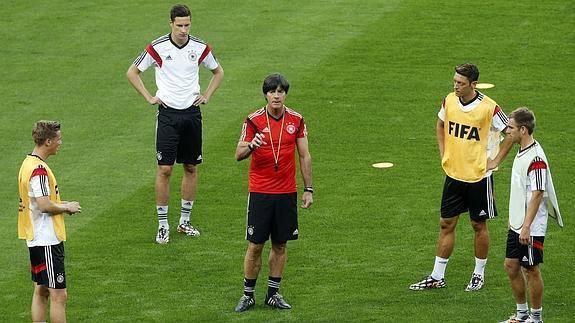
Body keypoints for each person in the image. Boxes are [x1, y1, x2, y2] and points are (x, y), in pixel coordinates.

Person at [409, 63, 513, 291]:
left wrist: (495, 161)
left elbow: (511, 133)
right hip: (454, 174)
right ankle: (438, 276)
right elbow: (440, 124)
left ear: (473, 85)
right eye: (454, 81)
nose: (455, 86)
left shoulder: (489, 108)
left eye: (461, 83)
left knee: (478, 224)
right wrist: (443, 152)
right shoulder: (449, 101)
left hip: (478, 177)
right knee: (446, 223)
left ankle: (478, 274)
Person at [126, 4, 224, 244]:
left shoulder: (199, 47)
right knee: (165, 169)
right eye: (179, 25)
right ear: (170, 23)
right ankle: (162, 225)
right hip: (168, 115)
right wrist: (149, 97)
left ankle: (184, 222)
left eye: (187, 25)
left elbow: (218, 71)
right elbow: (132, 72)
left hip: (192, 114)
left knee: (191, 167)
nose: (183, 29)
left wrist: (207, 96)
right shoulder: (158, 47)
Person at [234, 74, 313, 312]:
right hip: (260, 192)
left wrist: (308, 189)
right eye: (272, 91)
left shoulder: (296, 120)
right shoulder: (254, 121)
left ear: (285, 94)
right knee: (255, 245)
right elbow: (238, 154)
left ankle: (273, 293)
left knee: (280, 244)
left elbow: (304, 155)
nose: (276, 96)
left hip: (287, 192)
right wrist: (251, 146)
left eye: (280, 91)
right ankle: (248, 295)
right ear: (266, 94)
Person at [500, 108, 562, 323]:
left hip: (531, 226)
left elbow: (537, 194)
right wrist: (515, 218)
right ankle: (522, 315)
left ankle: (536, 319)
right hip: (518, 223)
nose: (506, 131)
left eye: (510, 127)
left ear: (523, 130)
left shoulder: (536, 159)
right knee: (511, 265)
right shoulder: (522, 151)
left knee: (531, 269)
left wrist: (526, 226)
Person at [18, 120, 82, 323]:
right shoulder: (38, 170)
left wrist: (62, 203)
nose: (60, 143)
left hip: (34, 236)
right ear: (47, 141)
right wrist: (66, 207)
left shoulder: (27, 163)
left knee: (41, 291)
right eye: (58, 139)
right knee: (58, 296)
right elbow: (45, 206)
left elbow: (37, 202)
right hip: (46, 239)